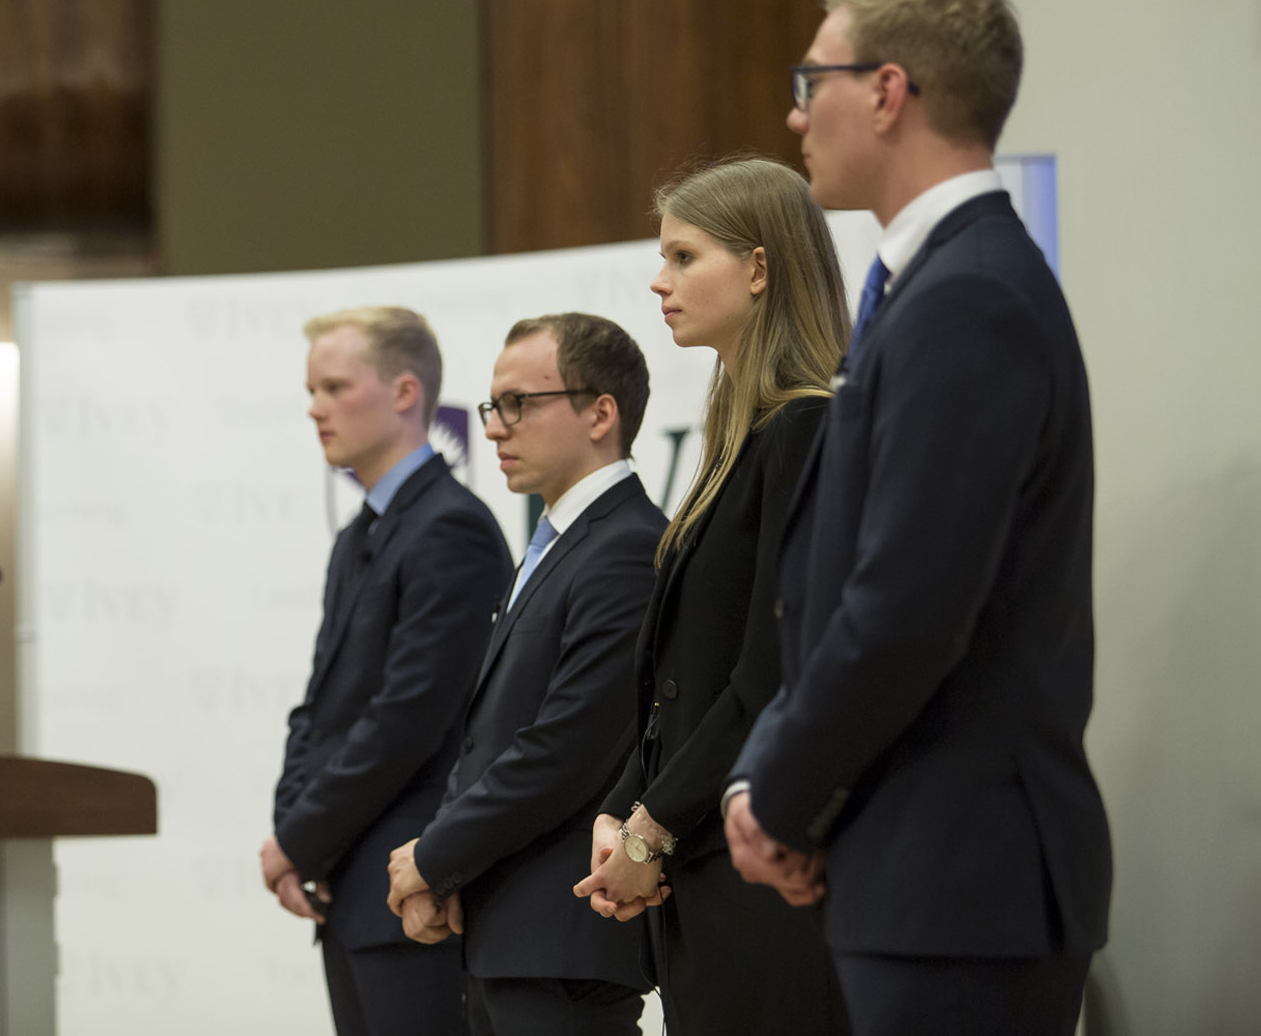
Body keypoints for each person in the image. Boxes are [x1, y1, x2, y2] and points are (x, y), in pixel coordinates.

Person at [721, 0, 1113, 1033]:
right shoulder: (932, 288)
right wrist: (775, 785)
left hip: (961, 885)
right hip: (919, 876)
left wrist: (779, 796)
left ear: (888, 91)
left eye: (814, 79)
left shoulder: (968, 298)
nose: (795, 112)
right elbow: (837, 593)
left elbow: (905, 609)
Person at [570, 156, 852, 1033]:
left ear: (760, 268)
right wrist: (623, 807)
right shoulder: (747, 435)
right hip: (707, 865)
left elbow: (769, 672)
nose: (660, 281)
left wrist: (654, 827)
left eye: (684, 256)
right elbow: (682, 680)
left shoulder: (807, 428)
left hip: (765, 871)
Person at [383, 313, 666, 1036]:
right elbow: (486, 734)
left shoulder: (628, 546)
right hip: (507, 932)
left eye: (520, 404)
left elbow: (565, 747)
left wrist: (435, 857)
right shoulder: (556, 542)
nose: (496, 427)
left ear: (601, 412)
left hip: (564, 939)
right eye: (492, 406)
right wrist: (447, 871)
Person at [264, 306, 513, 1036]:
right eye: (312, 390)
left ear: (406, 393)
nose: (315, 408)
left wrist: (297, 841)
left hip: (415, 889)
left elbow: (406, 719)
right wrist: (292, 831)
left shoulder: (450, 528)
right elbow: (319, 707)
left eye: (335, 387)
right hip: (347, 885)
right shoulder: (359, 536)